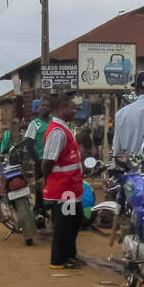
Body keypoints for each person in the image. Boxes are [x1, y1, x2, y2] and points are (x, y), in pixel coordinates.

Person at [41, 92, 84, 270]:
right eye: (71, 107)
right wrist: (47, 182)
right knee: (64, 225)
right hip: (63, 189)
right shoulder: (57, 132)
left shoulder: (64, 129)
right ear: (60, 109)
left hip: (71, 188)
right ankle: (58, 261)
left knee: (74, 221)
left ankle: (70, 255)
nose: (75, 111)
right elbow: (48, 161)